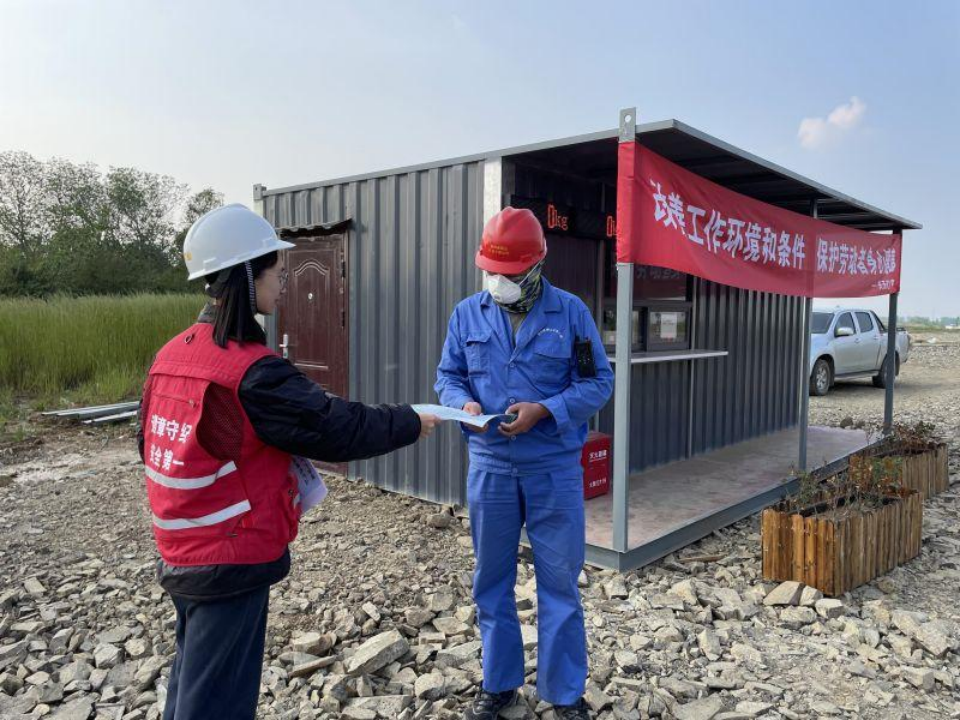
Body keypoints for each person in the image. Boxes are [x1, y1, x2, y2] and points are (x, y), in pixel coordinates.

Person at [136, 203, 438, 720]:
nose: (284, 285)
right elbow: (335, 427)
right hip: (229, 557)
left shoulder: (171, 356)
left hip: (179, 549)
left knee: (192, 682)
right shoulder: (251, 371)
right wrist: (410, 420)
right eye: (278, 273)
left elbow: (145, 443)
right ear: (247, 275)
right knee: (216, 704)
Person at [435, 207, 614, 719]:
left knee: (559, 582)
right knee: (491, 580)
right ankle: (500, 684)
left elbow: (598, 383)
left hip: (552, 468)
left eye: (509, 273)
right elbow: (448, 375)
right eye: (492, 271)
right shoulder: (467, 314)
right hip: (490, 466)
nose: (499, 281)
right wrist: (463, 405)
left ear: (537, 265)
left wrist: (547, 410)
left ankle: (564, 694)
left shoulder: (571, 314)